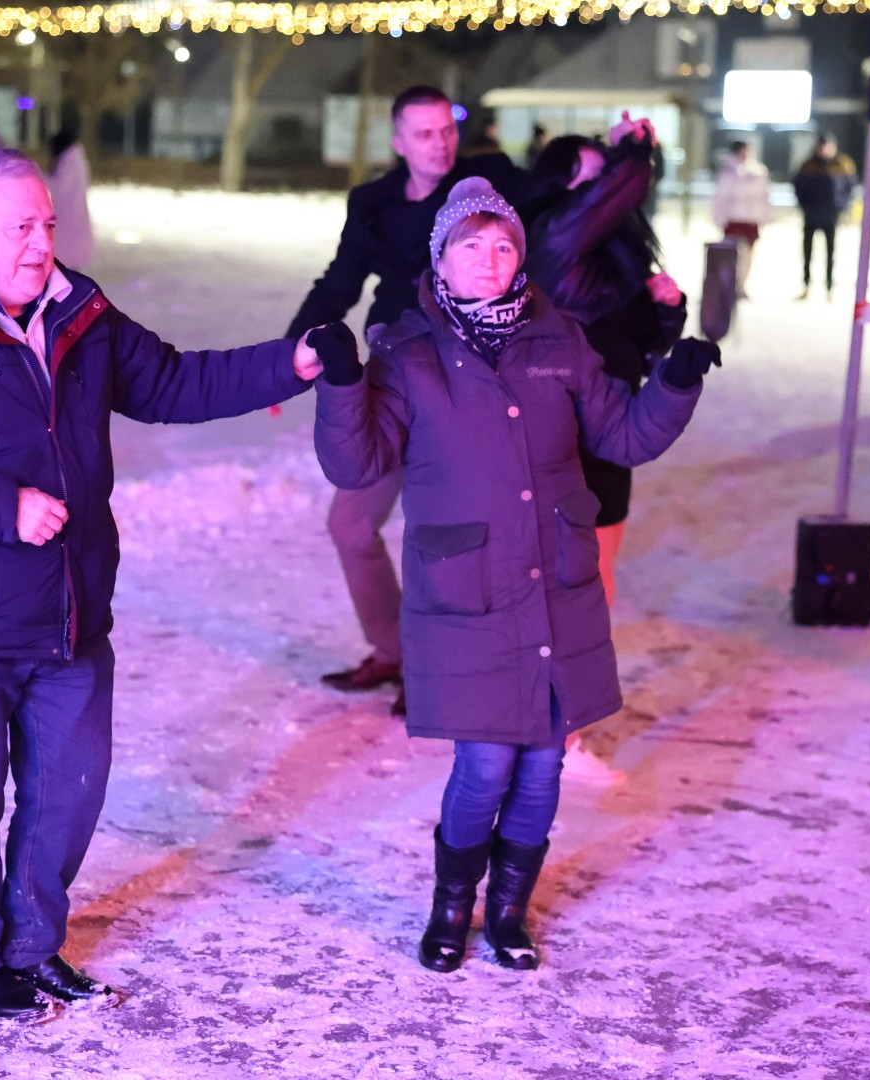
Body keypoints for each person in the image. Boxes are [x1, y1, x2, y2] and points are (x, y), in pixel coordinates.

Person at [0, 148, 321, 1021]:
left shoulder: (77, 311)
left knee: (70, 791)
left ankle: (32, 946)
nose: (40, 242)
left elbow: (172, 382)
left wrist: (295, 364)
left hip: (69, 608)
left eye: (48, 224)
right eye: (20, 226)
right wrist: (0, 507)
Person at [310, 176, 717, 973]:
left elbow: (624, 437)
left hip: (557, 587)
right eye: (472, 246)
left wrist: (675, 382)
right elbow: (356, 462)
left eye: (503, 245)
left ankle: (508, 910)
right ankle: (451, 905)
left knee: (543, 762)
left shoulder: (559, 340)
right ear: (441, 259)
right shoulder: (407, 350)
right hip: (470, 596)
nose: (490, 260)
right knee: (487, 762)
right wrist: (342, 384)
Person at [287, 84, 534, 716]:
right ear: (398, 142)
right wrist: (287, 355)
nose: (440, 144)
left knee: (446, 532)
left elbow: (557, 191)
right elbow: (339, 283)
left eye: (447, 129)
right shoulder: (374, 205)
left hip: (469, 385)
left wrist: (602, 161)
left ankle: (445, 665)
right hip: (395, 376)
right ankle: (395, 651)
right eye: (424, 134)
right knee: (350, 524)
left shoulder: (483, 189)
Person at [527, 121, 687, 786]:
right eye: (589, 176)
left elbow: (642, 348)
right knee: (564, 585)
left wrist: (667, 313)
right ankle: (551, 731)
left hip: (612, 430)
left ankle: (566, 724)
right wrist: (632, 150)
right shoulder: (555, 240)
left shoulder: (615, 260)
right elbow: (621, 187)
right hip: (563, 430)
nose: (603, 188)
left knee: (601, 583)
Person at [791, 133, 857, 299]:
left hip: (831, 215)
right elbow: (798, 188)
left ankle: (829, 287)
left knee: (830, 252)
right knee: (808, 251)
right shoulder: (808, 165)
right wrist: (806, 206)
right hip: (812, 214)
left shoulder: (843, 164)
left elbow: (850, 188)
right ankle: (806, 285)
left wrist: (841, 206)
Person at [709, 140, 773, 298]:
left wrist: (766, 216)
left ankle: (741, 285)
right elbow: (720, 198)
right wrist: (719, 218)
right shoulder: (728, 172)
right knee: (733, 254)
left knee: (748, 254)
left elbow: (764, 196)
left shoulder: (758, 171)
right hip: (733, 219)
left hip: (751, 219)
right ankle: (730, 285)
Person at [46, 128, 94, 271]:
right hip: (72, 217)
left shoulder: (69, 162)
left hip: (68, 219)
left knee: (66, 261)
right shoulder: (76, 159)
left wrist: (39, 176)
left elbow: (58, 187)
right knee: (69, 262)